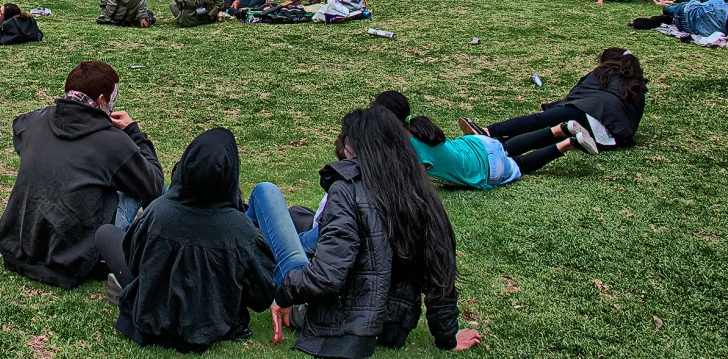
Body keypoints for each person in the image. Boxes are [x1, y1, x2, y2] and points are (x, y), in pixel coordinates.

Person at [249, 108, 481, 354]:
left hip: (334, 320)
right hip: (391, 327)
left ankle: (234, 256)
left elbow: (328, 273)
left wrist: (285, 295)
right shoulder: (420, 192)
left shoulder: (347, 190)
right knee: (297, 218)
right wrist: (447, 338)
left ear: (359, 147)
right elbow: (440, 275)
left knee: (266, 193)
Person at [96, 128, 276, 353]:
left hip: (155, 315)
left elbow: (135, 262)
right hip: (215, 322)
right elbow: (261, 298)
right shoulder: (242, 230)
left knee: (106, 233)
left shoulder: (157, 212)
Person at [0, 61, 165, 288]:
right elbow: (153, 184)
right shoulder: (113, 143)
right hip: (76, 257)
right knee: (142, 177)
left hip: (19, 247)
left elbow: (19, 126)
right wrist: (134, 132)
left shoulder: (36, 120)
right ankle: (175, 240)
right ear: (102, 101)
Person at [374, 91, 597, 191]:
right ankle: (561, 128)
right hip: (478, 144)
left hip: (487, 170)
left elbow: (413, 182)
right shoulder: (420, 125)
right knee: (508, 146)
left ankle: (569, 143)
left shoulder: (413, 151)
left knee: (520, 163)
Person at [461, 48, 647, 152]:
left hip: (586, 111)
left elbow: (576, 95)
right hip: (605, 137)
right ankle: (500, 146)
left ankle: (488, 132)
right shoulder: (637, 89)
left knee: (540, 121)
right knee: (547, 135)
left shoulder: (603, 73)